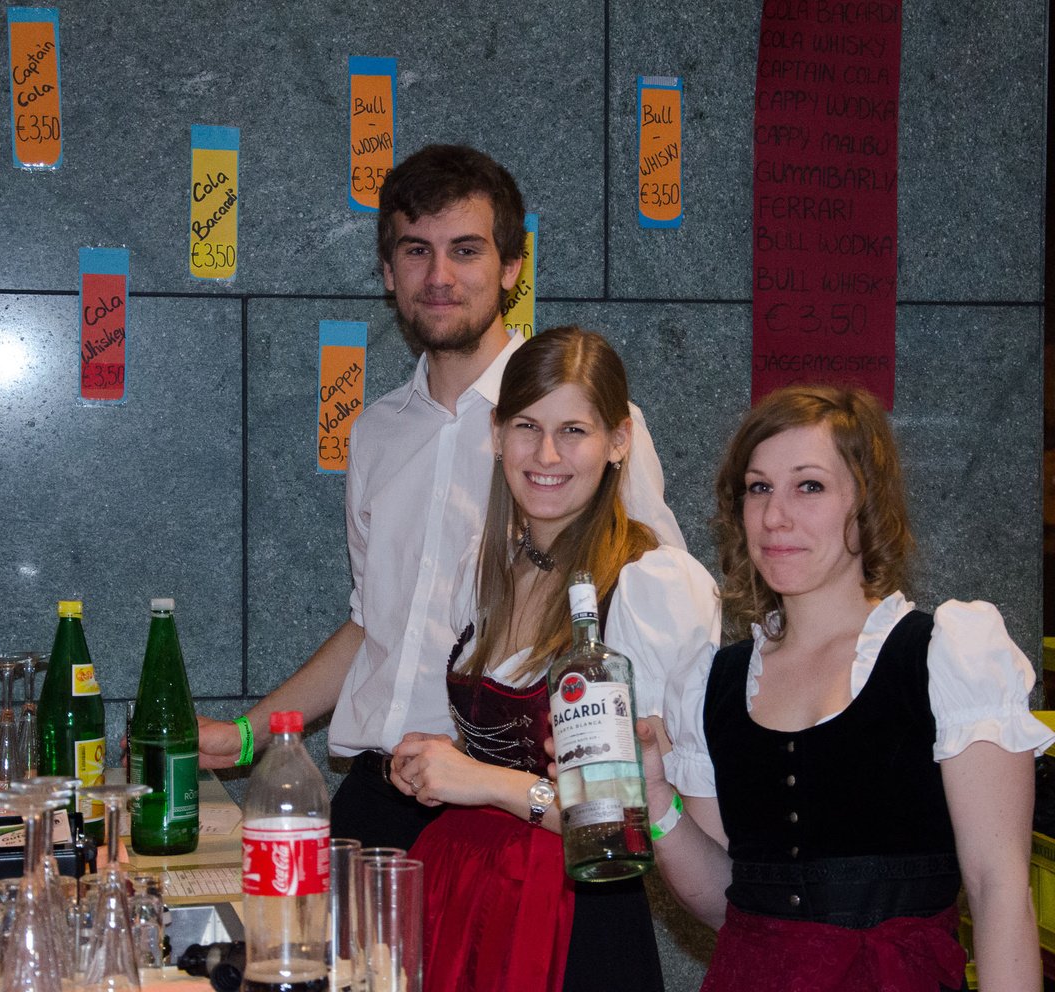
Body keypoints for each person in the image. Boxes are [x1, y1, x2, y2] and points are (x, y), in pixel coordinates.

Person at [196, 144, 685, 850]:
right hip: (374, 798)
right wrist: (247, 734)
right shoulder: (376, 432)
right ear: (388, 272)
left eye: (465, 250)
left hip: (516, 813)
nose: (439, 276)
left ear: (511, 268)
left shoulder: (585, 433)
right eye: (416, 251)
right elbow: (373, 624)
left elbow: (648, 632)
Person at [642, 384, 1053, 992]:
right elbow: (727, 902)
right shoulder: (713, 683)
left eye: (809, 486)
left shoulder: (947, 656)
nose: (775, 516)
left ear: (867, 502)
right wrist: (654, 797)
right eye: (759, 487)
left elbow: (999, 891)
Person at [387, 326, 719, 992]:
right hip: (464, 892)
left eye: (574, 430)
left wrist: (482, 781)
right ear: (496, 434)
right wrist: (438, 760)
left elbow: (633, 821)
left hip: (568, 915)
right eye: (526, 427)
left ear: (618, 442)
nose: (546, 454)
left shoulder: (647, 588)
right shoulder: (488, 567)